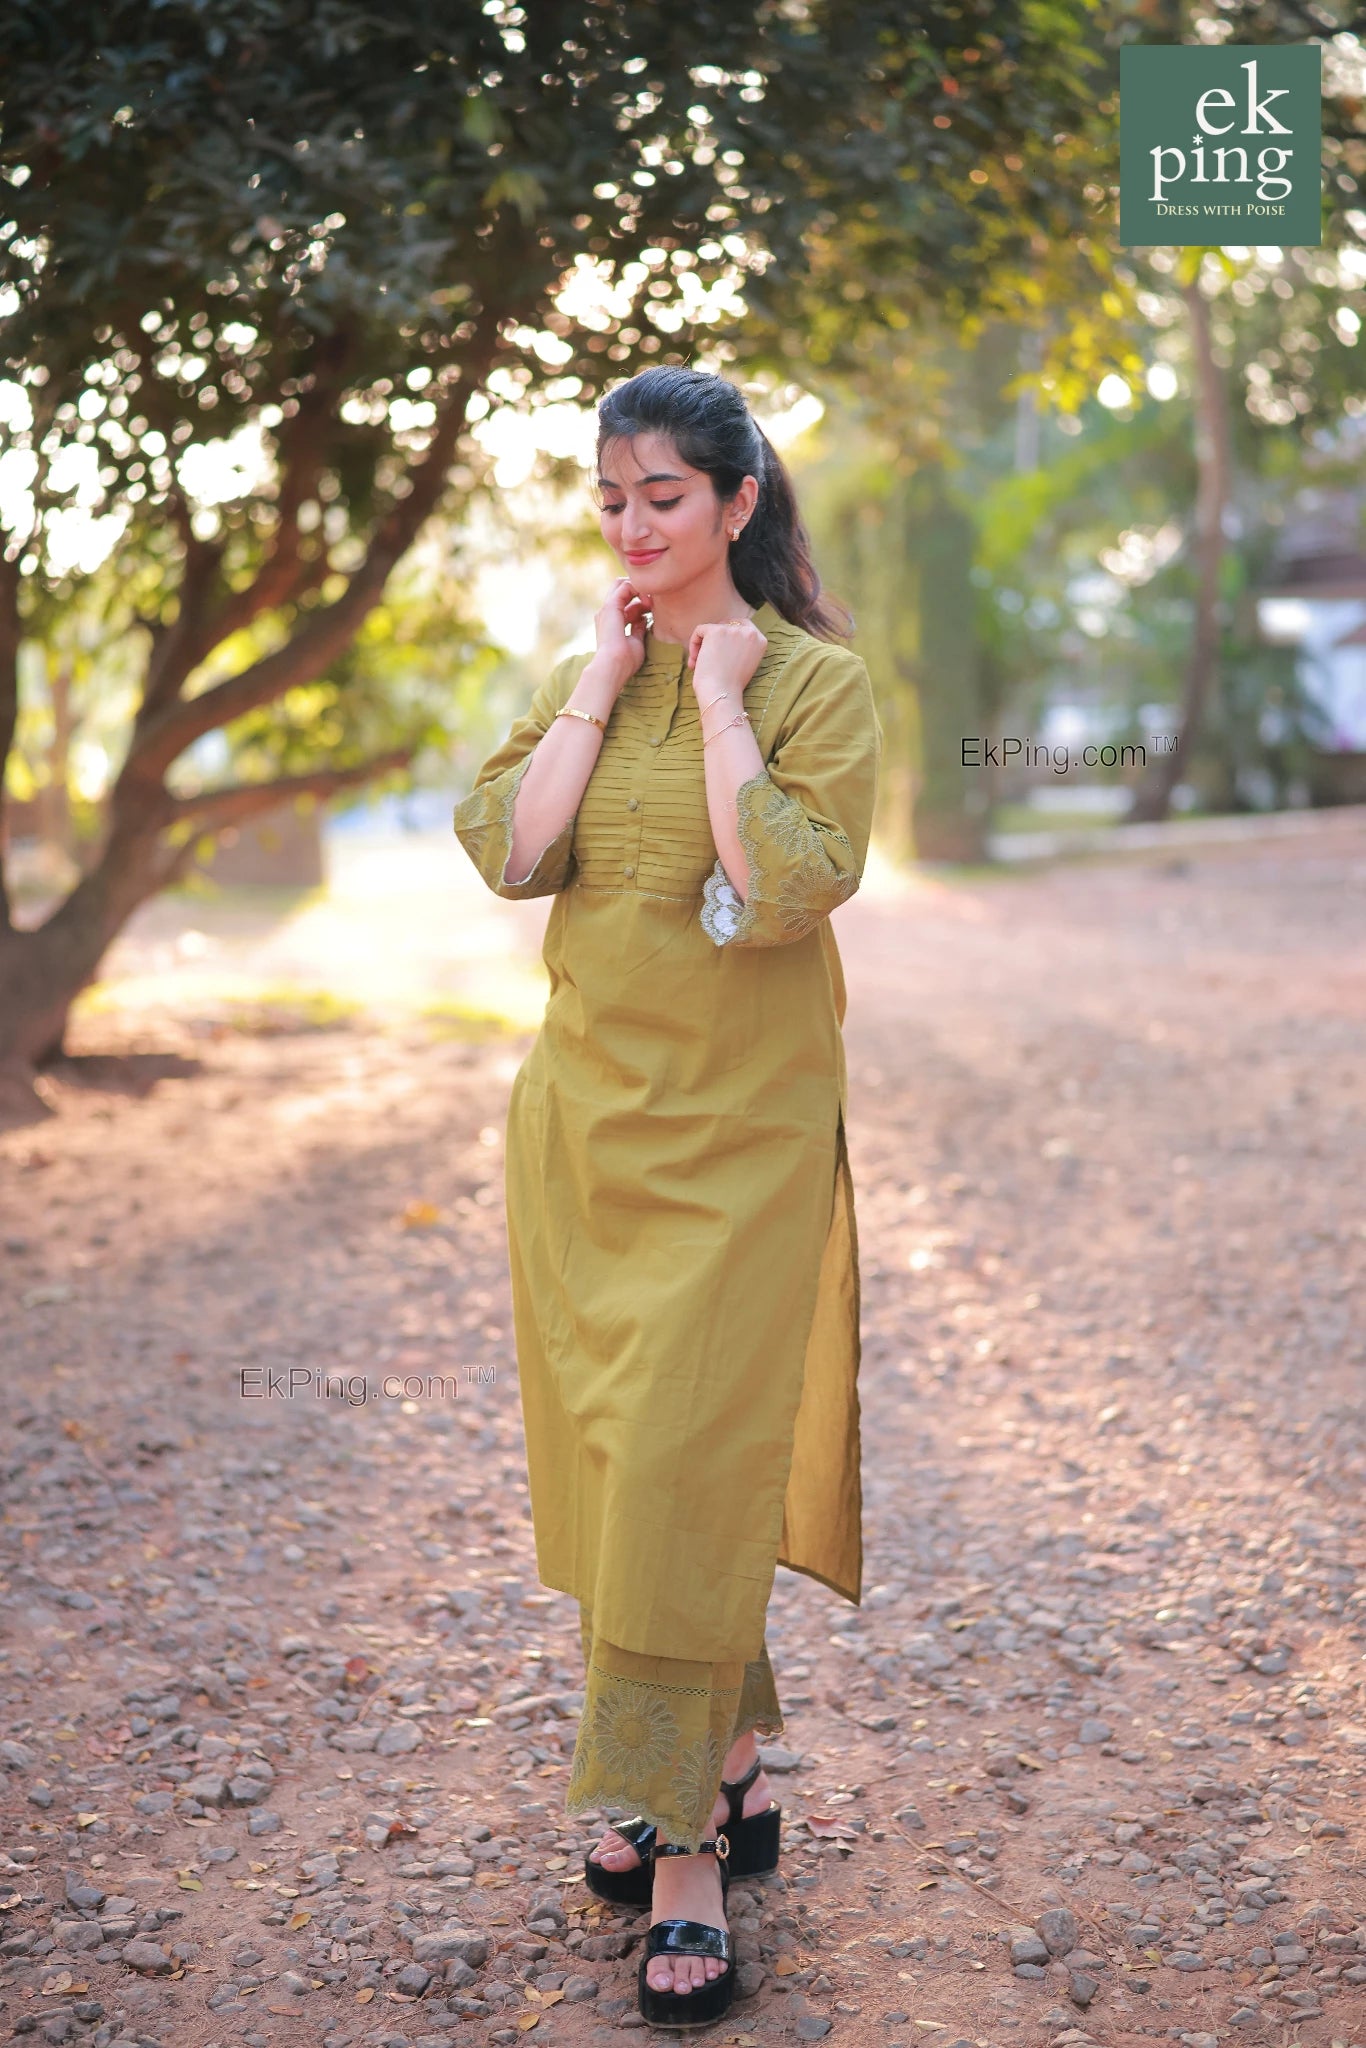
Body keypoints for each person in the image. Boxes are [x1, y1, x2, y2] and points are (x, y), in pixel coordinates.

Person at [452, 364, 881, 2028]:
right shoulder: (594, 669)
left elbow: (779, 889)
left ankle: (687, 1856)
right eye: (612, 500)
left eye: (665, 499)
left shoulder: (816, 686)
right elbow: (512, 854)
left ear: (737, 504)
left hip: (742, 1141)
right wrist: (600, 680)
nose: (633, 528)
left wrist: (718, 699)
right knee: (636, 1467)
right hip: (585, 1133)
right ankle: (739, 1755)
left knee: (683, 1467)